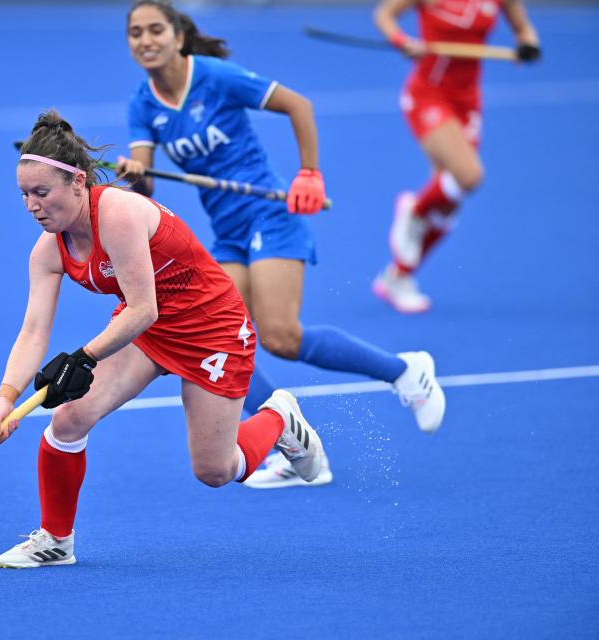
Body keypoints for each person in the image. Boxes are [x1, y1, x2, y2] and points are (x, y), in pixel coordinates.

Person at [116, 0, 446, 490]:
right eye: (136, 32)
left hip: (271, 215)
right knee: (217, 339)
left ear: (178, 36)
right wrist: (135, 175)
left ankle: (405, 371)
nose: (145, 40)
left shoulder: (214, 77)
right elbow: (144, 190)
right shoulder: (143, 104)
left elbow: (299, 105)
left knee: (280, 337)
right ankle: (293, 447)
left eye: (155, 30)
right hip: (227, 232)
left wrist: (309, 173)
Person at [0, 110, 327, 568]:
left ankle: (279, 418)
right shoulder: (48, 251)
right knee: (68, 421)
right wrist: (6, 398)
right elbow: (33, 331)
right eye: (24, 194)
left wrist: (83, 358)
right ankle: (55, 539)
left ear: (79, 183)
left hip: (213, 329)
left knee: (215, 470)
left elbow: (144, 308)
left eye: (41, 192)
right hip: (148, 332)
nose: (32, 205)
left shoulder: (119, 214)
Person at [371, 0, 541, 312]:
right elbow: (384, 14)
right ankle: (414, 208)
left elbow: (524, 29)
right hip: (428, 94)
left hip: (468, 100)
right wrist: (402, 41)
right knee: (468, 176)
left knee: (450, 200)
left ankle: (398, 276)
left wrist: (528, 43)